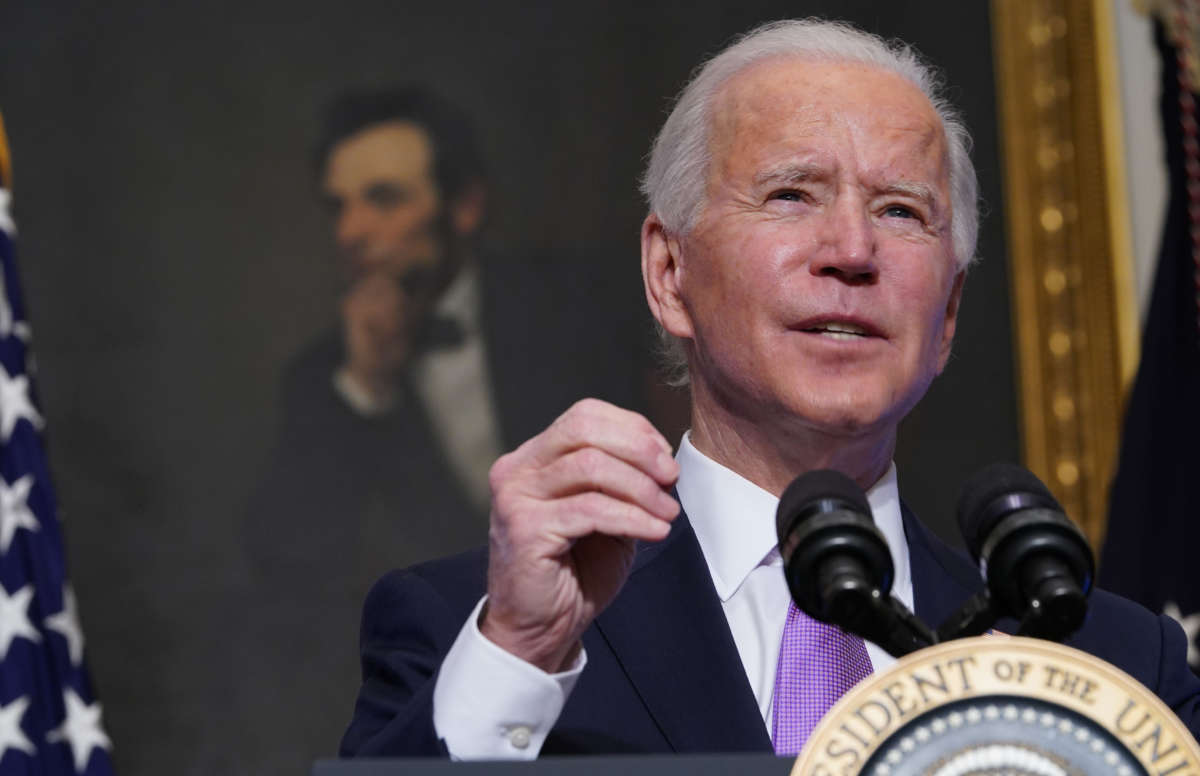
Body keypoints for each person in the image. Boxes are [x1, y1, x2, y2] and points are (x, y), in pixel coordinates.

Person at [339, 20, 1200, 759]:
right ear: (669, 273)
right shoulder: (476, 631)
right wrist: (521, 650)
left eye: (902, 211)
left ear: (948, 314)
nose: (852, 251)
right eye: (792, 195)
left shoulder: (1115, 665)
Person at [242, 87, 648, 764]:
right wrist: (365, 387)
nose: (351, 232)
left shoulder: (579, 310)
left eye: (383, 198)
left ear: (464, 207)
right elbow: (287, 567)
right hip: (436, 700)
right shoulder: (324, 379)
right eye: (338, 206)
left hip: (623, 669)